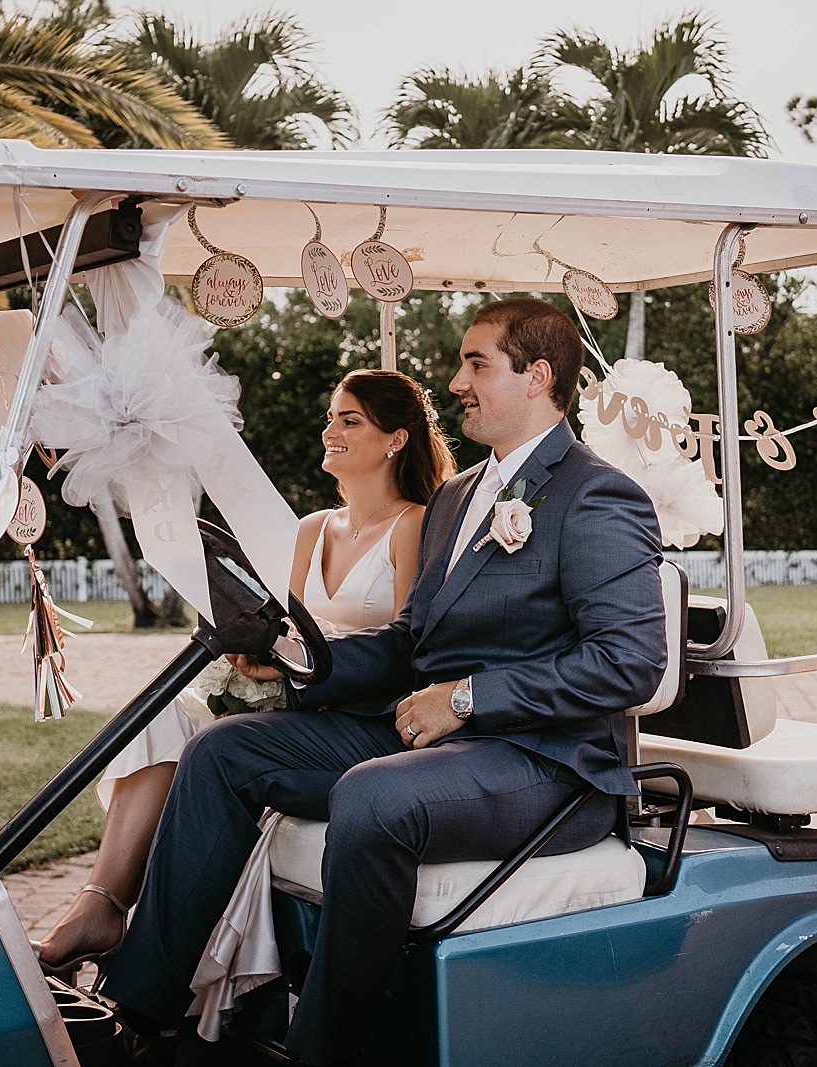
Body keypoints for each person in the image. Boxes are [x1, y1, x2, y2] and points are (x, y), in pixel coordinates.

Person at [102, 298, 667, 1066]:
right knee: (222, 753)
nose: (457, 381)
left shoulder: (595, 494)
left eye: (477, 364)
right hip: (435, 737)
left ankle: (322, 1050)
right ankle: (145, 1015)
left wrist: (467, 697)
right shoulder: (459, 498)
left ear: (538, 376)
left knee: (373, 795)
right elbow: (409, 640)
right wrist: (300, 659)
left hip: (546, 762)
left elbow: (629, 660)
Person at [35, 369, 455, 975]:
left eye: (350, 420)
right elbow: (288, 625)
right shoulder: (313, 528)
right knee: (161, 715)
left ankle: (131, 943)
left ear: (396, 439)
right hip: (300, 691)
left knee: (211, 744)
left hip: (360, 712)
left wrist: (296, 670)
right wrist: (253, 652)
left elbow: (405, 647)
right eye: (331, 416)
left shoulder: (414, 524)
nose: (329, 430)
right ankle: (101, 903)